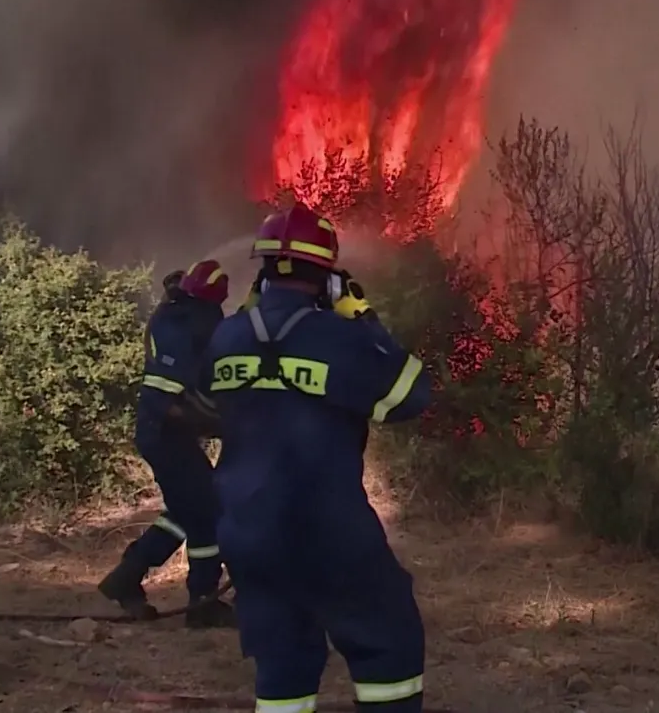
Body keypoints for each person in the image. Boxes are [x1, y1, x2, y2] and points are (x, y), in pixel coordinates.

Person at [202, 207, 433, 712]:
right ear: (328, 279)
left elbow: (206, 405)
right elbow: (411, 396)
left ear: (262, 273)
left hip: (249, 533)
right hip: (328, 530)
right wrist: (363, 318)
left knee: (283, 664)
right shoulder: (342, 338)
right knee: (388, 644)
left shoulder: (225, 337)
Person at [98, 259, 237, 629]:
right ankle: (201, 602)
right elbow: (168, 402)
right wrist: (219, 424)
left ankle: (126, 578)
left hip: (167, 435)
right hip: (163, 435)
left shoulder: (180, 315)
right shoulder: (183, 325)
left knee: (186, 511)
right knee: (206, 513)